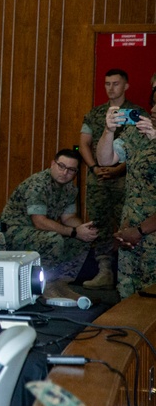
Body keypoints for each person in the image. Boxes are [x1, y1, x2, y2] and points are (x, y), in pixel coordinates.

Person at [0, 149, 98, 293]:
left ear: (76, 173)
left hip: (39, 232)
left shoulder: (70, 189)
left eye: (71, 170)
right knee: (54, 240)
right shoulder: (39, 184)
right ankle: (41, 285)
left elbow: (68, 218)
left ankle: (61, 282)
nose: (64, 173)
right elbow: (39, 222)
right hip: (14, 231)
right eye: (61, 166)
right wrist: (74, 232)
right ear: (53, 164)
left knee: (81, 241)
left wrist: (84, 230)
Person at [79, 69, 142, 289]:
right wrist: (95, 167)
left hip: (126, 180)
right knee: (99, 224)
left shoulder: (137, 113)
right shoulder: (95, 114)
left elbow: (140, 149)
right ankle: (104, 271)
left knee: (128, 223)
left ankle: (131, 275)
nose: (110, 88)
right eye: (107, 84)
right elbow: (84, 143)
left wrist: (118, 169)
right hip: (98, 179)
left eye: (115, 83)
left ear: (126, 86)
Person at [96, 99, 156, 298]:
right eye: (153, 103)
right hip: (131, 232)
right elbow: (105, 159)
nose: (153, 109)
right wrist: (108, 130)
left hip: (148, 230)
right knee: (129, 299)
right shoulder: (138, 132)